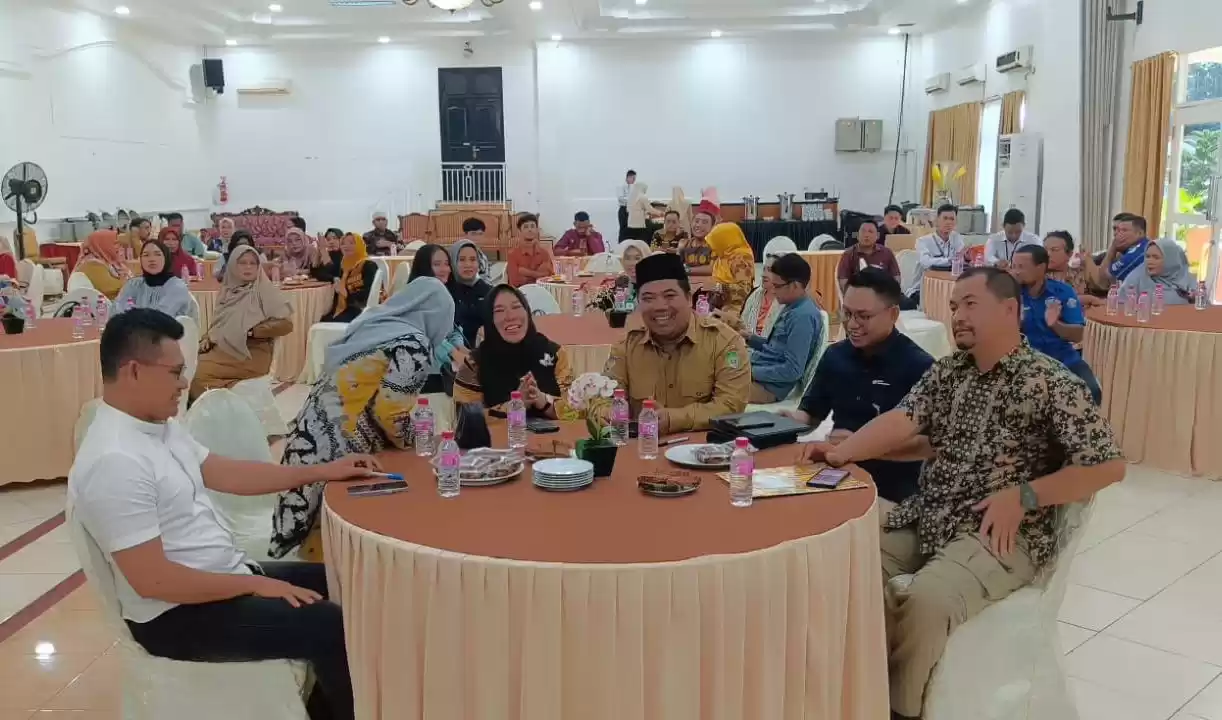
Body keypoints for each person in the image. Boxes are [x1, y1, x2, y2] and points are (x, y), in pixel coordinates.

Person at [802, 267, 1124, 719]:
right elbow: (903, 420)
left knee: (927, 601)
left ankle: (899, 709)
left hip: (1001, 531)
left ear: (1009, 310)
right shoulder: (951, 371)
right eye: (954, 306)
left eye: (970, 304)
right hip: (930, 513)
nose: (957, 316)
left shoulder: (1051, 381)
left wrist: (1025, 496)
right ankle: (852, 692)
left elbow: (1108, 465)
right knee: (845, 561)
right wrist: (842, 452)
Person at [70, 309, 376, 720]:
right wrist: (253, 584)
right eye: (175, 372)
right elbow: (153, 580)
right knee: (327, 626)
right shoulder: (114, 460)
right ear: (134, 371)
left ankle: (329, 703)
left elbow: (227, 473)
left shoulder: (157, 426)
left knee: (348, 583)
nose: (184, 383)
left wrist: (322, 471)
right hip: (174, 616)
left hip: (219, 579)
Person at [272, 278, 455, 560]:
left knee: (314, 523)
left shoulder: (375, 327)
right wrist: (417, 440)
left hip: (310, 435)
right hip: (342, 447)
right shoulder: (414, 344)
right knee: (337, 535)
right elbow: (390, 411)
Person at [784, 269, 933, 505]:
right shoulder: (835, 355)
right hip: (836, 471)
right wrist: (787, 421)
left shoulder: (920, 366)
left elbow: (928, 445)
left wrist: (858, 445)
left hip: (892, 485)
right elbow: (811, 414)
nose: (852, 324)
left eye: (863, 316)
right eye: (847, 313)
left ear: (893, 314)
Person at [603, 253, 749, 433]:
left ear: (689, 298)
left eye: (669, 296)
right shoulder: (626, 346)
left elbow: (731, 405)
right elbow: (604, 397)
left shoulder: (724, 342)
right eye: (648, 298)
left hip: (704, 447)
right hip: (643, 445)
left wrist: (674, 419)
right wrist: (606, 412)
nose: (659, 306)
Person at [189, 246, 294, 401]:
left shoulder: (264, 290)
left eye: (253, 263)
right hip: (224, 348)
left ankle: (221, 408)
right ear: (232, 266)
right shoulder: (228, 291)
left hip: (250, 353)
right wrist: (208, 337)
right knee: (187, 365)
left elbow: (286, 325)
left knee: (197, 375)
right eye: (242, 263)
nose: (248, 267)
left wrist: (252, 331)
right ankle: (226, 403)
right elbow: (220, 323)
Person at [454, 284, 573, 417]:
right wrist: (513, 406)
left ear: (527, 312)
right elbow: (464, 418)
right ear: (489, 320)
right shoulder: (474, 364)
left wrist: (542, 400)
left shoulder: (553, 354)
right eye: (499, 310)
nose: (510, 317)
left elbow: (574, 411)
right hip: (499, 432)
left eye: (516, 307)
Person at [1010, 246, 1102, 405]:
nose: (1016, 272)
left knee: (1092, 392)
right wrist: (1015, 323)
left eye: (1021, 267)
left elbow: (1077, 335)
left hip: (1062, 359)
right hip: (1024, 361)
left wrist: (1055, 324)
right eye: (1014, 266)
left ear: (1041, 268)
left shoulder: (1063, 292)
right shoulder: (1009, 293)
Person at [744, 254, 821, 404]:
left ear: (795, 286)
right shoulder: (792, 306)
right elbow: (776, 349)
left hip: (768, 388)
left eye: (777, 286)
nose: (773, 291)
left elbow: (792, 370)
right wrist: (749, 338)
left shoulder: (802, 317)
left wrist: (750, 372)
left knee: (709, 386)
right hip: (760, 372)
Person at [114, 240, 195, 320]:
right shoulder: (134, 284)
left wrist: (132, 314)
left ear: (166, 257)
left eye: (157, 254)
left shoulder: (176, 287)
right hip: (132, 327)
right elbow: (117, 309)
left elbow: (160, 317)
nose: (152, 259)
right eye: (146, 255)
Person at [907, 204, 965, 306]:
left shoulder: (956, 238)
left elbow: (961, 259)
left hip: (948, 287)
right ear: (937, 220)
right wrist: (949, 261)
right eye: (945, 218)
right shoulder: (923, 241)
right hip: (921, 290)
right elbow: (925, 262)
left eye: (952, 219)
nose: (948, 222)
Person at [1119, 237, 1197, 306]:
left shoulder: (1188, 280)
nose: (1149, 261)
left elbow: (1201, 309)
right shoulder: (1135, 280)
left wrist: (1194, 299)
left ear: (1170, 260)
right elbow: (1120, 307)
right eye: (1147, 256)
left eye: (1156, 257)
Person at [319, 232, 377, 323]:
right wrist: (322, 250)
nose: (346, 246)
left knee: (329, 322)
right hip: (344, 308)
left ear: (360, 245)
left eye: (351, 243)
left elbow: (370, 293)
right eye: (343, 244)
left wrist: (346, 294)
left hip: (362, 309)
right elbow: (323, 273)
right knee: (319, 320)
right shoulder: (344, 266)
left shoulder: (368, 265)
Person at [705, 222, 756, 317]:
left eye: (716, 242)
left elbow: (745, 290)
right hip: (719, 304)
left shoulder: (741, 258)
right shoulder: (723, 255)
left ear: (724, 241)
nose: (711, 247)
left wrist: (718, 287)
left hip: (736, 308)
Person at [449, 239, 494, 346]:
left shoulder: (489, 291)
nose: (468, 264)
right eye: (462, 260)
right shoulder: (446, 292)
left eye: (473, 259)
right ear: (452, 262)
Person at [837, 219, 901, 294]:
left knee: (907, 300)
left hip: (884, 295)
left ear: (877, 236)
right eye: (863, 231)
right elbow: (843, 281)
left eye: (870, 231)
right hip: (859, 295)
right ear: (857, 235)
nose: (866, 235)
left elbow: (896, 277)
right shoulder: (848, 254)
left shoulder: (887, 253)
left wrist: (891, 294)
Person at [1094, 212, 1150, 287]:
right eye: (1117, 230)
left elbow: (1103, 281)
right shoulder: (1143, 245)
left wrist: (1113, 248)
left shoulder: (1137, 252)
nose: (1117, 234)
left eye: (1124, 230)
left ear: (1139, 233)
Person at [77, 229, 132, 300]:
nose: (119, 247)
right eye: (115, 243)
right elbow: (109, 289)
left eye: (118, 244)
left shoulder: (109, 260)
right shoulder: (92, 264)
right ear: (102, 244)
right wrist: (127, 282)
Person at [506, 213, 555, 287]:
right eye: (526, 227)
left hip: (541, 291)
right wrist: (539, 275)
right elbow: (515, 282)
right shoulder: (513, 254)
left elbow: (550, 278)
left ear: (537, 230)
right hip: (520, 291)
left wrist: (526, 272)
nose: (530, 229)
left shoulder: (544, 253)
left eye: (532, 226)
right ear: (519, 231)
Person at [679, 202, 717, 276]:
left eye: (704, 222)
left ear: (712, 227)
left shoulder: (715, 246)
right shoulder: (684, 244)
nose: (699, 225)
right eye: (696, 221)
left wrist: (686, 270)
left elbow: (713, 269)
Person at [617, 169, 636, 243]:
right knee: (623, 230)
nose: (634, 180)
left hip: (630, 210)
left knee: (630, 230)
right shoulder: (621, 186)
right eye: (633, 178)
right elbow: (620, 198)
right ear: (628, 177)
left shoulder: (632, 187)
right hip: (623, 210)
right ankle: (621, 245)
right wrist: (631, 199)